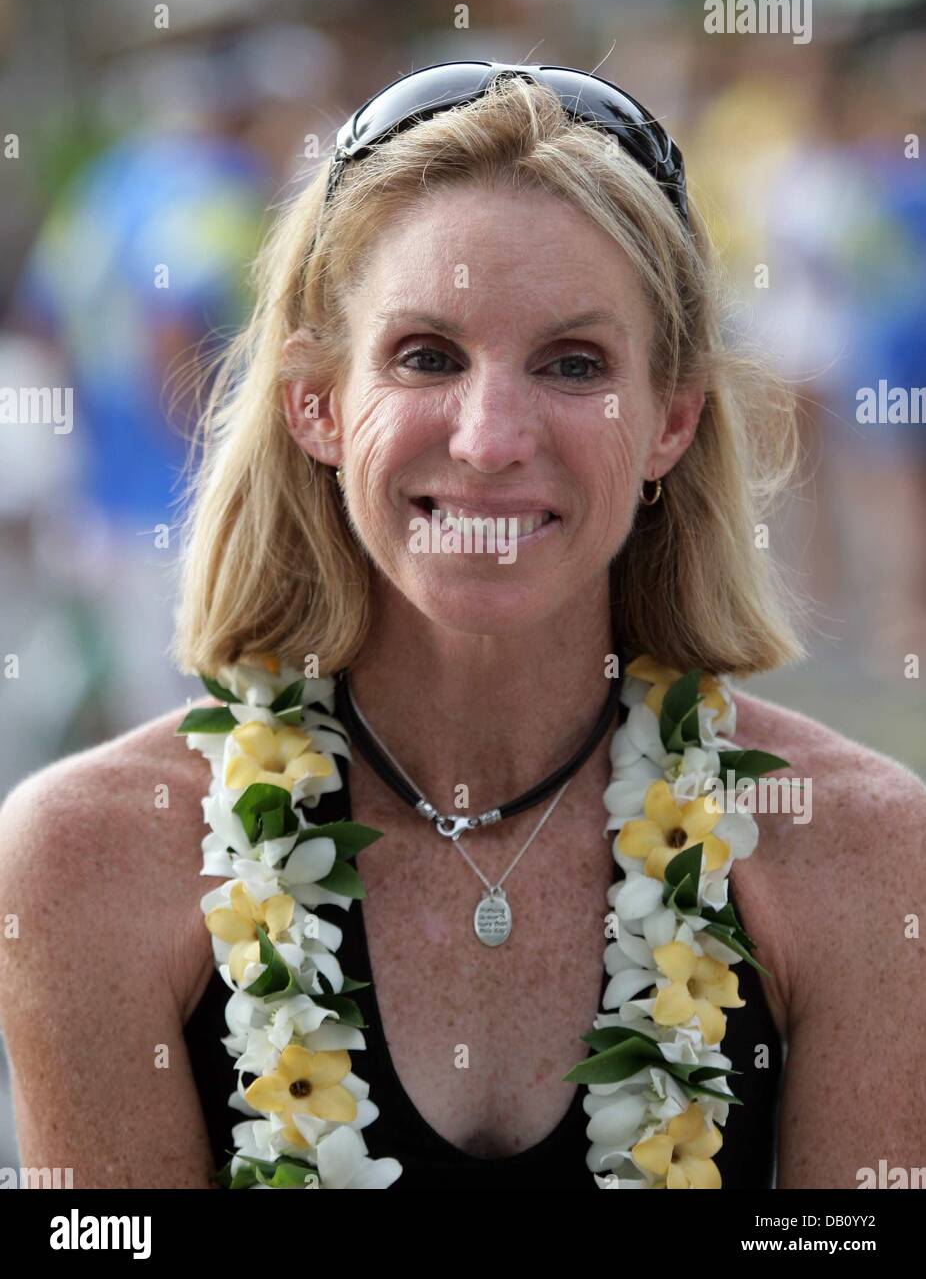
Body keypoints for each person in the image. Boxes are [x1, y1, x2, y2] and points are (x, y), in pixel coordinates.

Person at [1, 62, 924, 1191]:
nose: (489, 438)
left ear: (672, 419)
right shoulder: (89, 863)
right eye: (426, 356)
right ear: (317, 402)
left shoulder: (863, 854)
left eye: (572, 364)